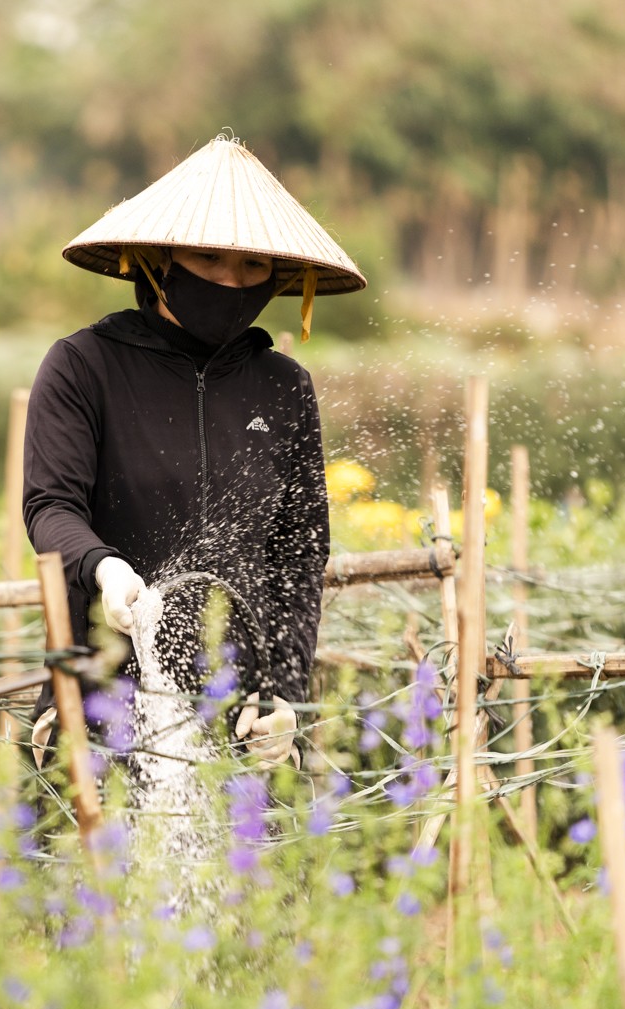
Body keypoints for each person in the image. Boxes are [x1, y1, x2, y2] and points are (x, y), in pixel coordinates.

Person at [21, 135, 367, 768]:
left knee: (249, 865)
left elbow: (298, 551)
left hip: (245, 717)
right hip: (102, 696)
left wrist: (287, 698)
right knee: (100, 863)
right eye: (208, 257)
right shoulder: (83, 367)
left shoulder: (284, 388)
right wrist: (106, 569)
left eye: (253, 266)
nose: (232, 281)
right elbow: (50, 507)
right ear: (159, 258)